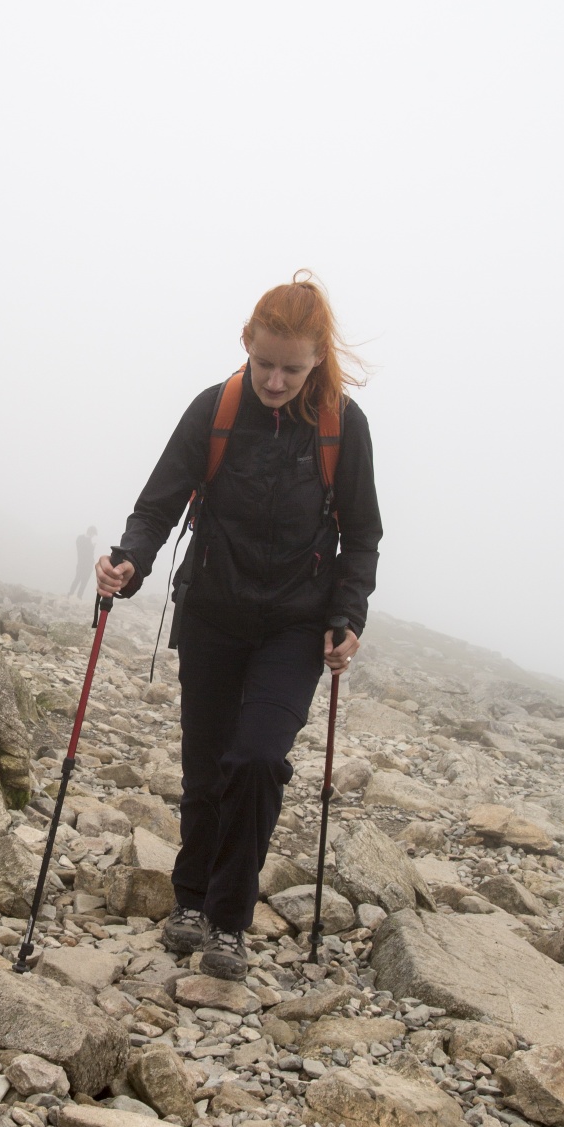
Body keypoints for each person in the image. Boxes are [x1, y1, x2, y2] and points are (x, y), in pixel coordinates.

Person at [95, 272, 382, 981]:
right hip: (214, 613)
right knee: (207, 766)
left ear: (318, 359)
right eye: (265, 364)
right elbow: (159, 502)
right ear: (246, 344)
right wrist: (129, 560)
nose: (276, 380)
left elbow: (364, 535)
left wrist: (350, 614)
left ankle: (228, 919)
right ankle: (188, 902)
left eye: (292, 367)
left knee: (256, 761)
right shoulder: (215, 410)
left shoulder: (343, 426)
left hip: (295, 625)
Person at [68, 525, 98, 597]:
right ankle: (70, 594)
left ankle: (79, 596)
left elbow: (89, 553)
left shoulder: (87, 540)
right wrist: (92, 547)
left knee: (84, 582)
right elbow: (82, 551)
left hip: (88, 565)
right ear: (90, 532)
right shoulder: (81, 538)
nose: (93, 536)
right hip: (82, 564)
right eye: (93, 534)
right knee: (77, 579)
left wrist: (91, 547)